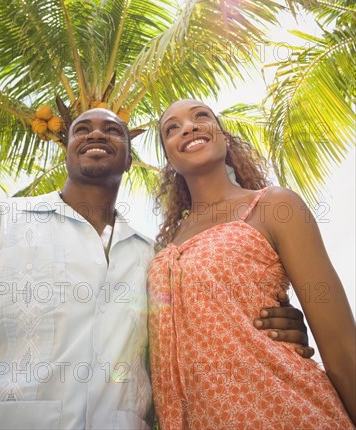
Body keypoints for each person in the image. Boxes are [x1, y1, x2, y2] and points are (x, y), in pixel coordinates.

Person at [0, 108, 315, 430]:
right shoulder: (4, 220)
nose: (96, 134)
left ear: (129, 161)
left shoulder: (153, 258)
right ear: (67, 153)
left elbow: (184, 331)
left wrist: (272, 319)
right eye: (81, 129)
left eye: (113, 130)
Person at [148, 99, 356, 429]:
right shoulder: (163, 247)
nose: (189, 127)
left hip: (289, 413)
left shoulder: (273, 206)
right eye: (172, 128)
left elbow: (342, 344)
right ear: (170, 160)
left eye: (201, 117)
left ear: (225, 138)